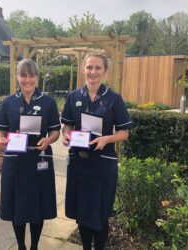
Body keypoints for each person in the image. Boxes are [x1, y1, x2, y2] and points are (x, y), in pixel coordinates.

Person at [61, 52, 132, 250]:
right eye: (89, 67)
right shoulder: (73, 97)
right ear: (84, 69)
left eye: (97, 68)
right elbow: (66, 126)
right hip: (79, 163)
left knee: (100, 213)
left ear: (105, 71)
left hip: (103, 163)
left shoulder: (114, 99)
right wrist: (67, 135)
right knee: (83, 213)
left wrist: (107, 139)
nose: (93, 72)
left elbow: (124, 133)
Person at [0, 59, 61, 250]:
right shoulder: (8, 103)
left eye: (31, 75)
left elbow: (56, 131)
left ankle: (34, 246)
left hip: (39, 159)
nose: (27, 80)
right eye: (23, 75)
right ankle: (22, 246)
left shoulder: (48, 102)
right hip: (15, 161)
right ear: (17, 77)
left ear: (37, 78)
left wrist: (49, 140)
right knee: (17, 206)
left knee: (38, 205)